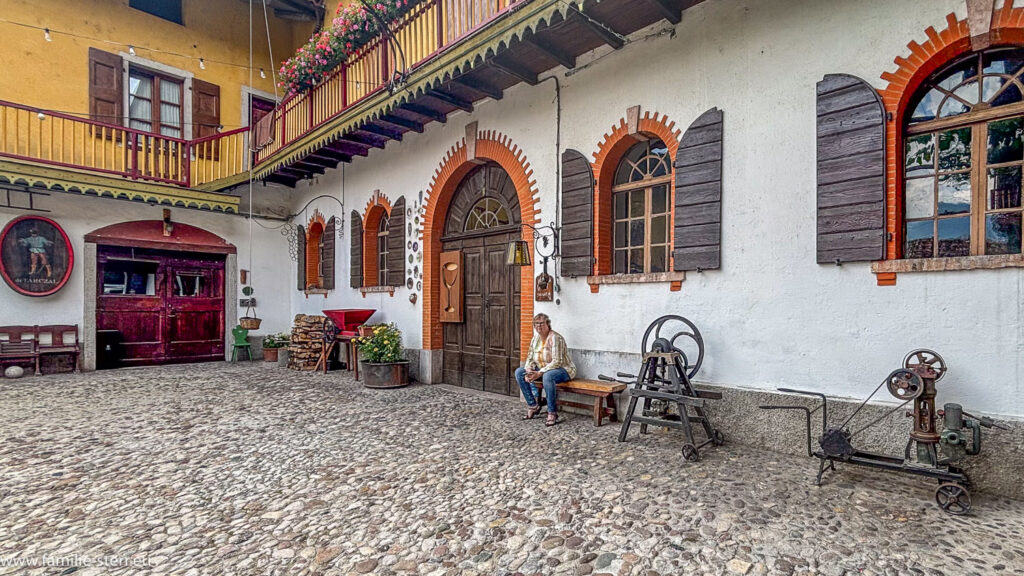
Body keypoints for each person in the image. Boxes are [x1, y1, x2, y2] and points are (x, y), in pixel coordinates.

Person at [516, 313, 577, 426]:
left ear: (548, 324)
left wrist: (539, 373)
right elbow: (530, 357)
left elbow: (557, 361)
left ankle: (552, 412)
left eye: (542, 323)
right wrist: (529, 370)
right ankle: (533, 406)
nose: (539, 326)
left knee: (548, 376)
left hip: (563, 369)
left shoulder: (555, 338)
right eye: (536, 324)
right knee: (519, 372)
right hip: (543, 369)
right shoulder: (535, 339)